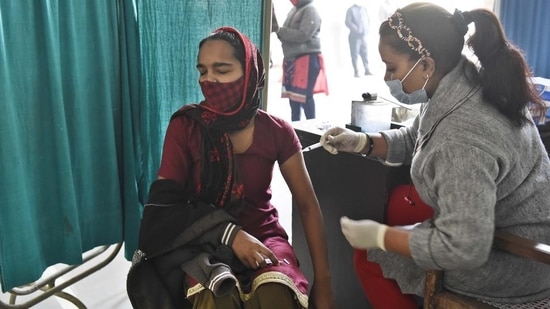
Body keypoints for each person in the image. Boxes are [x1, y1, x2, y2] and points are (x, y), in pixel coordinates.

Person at [319, 2, 550, 308]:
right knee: (401, 206)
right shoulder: (462, 82)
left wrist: (381, 238)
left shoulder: (463, 138)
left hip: (513, 263)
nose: (387, 78)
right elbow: (418, 137)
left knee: (369, 257)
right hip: (501, 221)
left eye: (392, 68)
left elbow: (464, 246)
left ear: (426, 64)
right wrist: (363, 142)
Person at [127, 27, 335, 309]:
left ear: (249, 73)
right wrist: (230, 234)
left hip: (265, 237)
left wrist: (323, 283)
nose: (209, 80)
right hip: (202, 243)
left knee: (275, 294)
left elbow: (307, 205)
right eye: (203, 71)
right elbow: (164, 210)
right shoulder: (186, 126)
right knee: (216, 296)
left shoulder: (276, 131)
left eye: (221, 70)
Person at [272, 0, 329, 122]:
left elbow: (303, 35)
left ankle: (311, 129)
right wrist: (278, 30)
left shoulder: (310, 10)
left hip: (306, 59)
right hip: (293, 60)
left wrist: (279, 30)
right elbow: (283, 33)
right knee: (294, 98)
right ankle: (296, 130)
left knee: (305, 97)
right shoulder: (294, 10)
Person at [345, 2, 372, 77]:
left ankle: (367, 70)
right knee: (355, 54)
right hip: (355, 37)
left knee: (365, 53)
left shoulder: (364, 9)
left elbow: (368, 20)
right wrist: (357, 29)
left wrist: (366, 29)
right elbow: (347, 22)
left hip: (363, 36)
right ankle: (356, 71)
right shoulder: (350, 10)